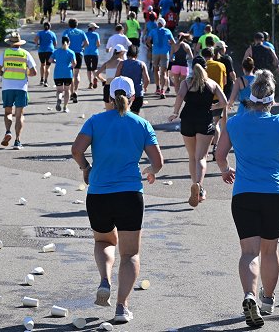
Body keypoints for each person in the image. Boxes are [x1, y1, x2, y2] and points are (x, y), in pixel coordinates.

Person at [71, 76, 164, 324]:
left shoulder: (95, 121)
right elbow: (158, 162)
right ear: (133, 97)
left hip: (99, 194)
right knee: (130, 253)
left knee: (103, 241)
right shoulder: (142, 124)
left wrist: (85, 168)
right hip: (130, 195)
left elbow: (76, 150)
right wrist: (151, 173)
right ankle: (122, 308)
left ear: (109, 97)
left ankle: (104, 280)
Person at [216, 69, 279, 328]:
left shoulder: (235, 123)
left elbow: (220, 155)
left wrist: (225, 170)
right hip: (275, 194)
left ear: (250, 96)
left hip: (244, 194)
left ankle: (249, 295)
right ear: (271, 99)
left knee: (249, 252)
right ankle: (267, 299)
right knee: (270, 250)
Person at [169, 57, 227, 207]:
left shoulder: (187, 83)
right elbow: (225, 102)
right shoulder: (212, 84)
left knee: (192, 156)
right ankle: (199, 187)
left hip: (187, 119)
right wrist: (214, 107)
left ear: (192, 67)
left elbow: (180, 96)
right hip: (205, 121)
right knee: (201, 157)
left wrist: (175, 112)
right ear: (205, 68)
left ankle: (195, 186)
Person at [0, 32, 38, 149]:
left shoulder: (5, 53)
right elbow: (34, 72)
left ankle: (8, 131)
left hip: (7, 87)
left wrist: (4, 73)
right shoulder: (25, 54)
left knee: (8, 112)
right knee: (19, 115)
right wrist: (25, 72)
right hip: (21, 87)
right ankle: (17, 141)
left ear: (10, 43)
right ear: (20, 43)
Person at [202, 45, 227, 161]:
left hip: (204, 98)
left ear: (203, 56)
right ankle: (215, 148)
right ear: (213, 55)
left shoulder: (202, 67)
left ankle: (204, 150)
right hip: (217, 97)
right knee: (215, 124)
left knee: (205, 124)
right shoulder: (221, 65)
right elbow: (225, 82)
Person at [146, 18, 176, 99]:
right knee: (163, 72)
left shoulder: (153, 31)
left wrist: (151, 46)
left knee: (156, 70)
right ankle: (163, 90)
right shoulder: (168, 31)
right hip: (165, 53)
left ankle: (157, 88)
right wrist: (171, 50)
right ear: (164, 24)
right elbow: (173, 43)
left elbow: (148, 40)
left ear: (157, 23)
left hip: (155, 52)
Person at [116, 45, 150, 115]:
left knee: (123, 114)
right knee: (135, 115)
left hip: (124, 93)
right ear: (136, 55)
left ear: (128, 54)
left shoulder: (122, 63)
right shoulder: (141, 64)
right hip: (137, 93)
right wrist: (144, 88)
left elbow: (116, 77)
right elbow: (147, 80)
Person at [62, 18, 89, 104]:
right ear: (77, 25)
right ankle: (76, 91)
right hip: (79, 53)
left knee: (70, 73)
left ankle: (71, 92)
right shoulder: (81, 32)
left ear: (69, 25)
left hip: (69, 54)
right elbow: (87, 43)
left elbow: (64, 41)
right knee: (76, 73)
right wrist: (83, 48)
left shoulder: (67, 32)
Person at [49, 36, 77, 113]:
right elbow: (74, 63)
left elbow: (50, 60)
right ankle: (65, 107)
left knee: (59, 90)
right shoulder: (71, 52)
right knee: (67, 90)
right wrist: (70, 66)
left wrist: (56, 62)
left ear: (61, 43)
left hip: (58, 73)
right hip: (68, 73)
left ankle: (59, 99)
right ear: (69, 43)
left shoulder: (56, 51)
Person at [96, 44, 128, 110]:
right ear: (121, 52)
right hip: (117, 87)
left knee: (108, 111)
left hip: (107, 86)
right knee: (119, 110)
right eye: (123, 52)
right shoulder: (122, 62)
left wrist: (103, 80)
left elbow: (97, 73)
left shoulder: (107, 62)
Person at [34, 21, 57, 87]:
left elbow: (35, 39)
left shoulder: (40, 33)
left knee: (42, 64)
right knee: (48, 66)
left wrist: (38, 44)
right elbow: (55, 43)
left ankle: (41, 79)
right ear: (50, 27)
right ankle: (46, 81)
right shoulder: (52, 33)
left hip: (41, 50)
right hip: (50, 50)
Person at [84, 23, 102, 89]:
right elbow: (98, 44)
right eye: (95, 28)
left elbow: (84, 43)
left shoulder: (85, 34)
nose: (96, 29)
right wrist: (95, 46)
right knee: (94, 68)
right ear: (92, 28)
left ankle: (90, 83)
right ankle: (95, 78)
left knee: (88, 68)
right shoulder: (96, 34)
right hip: (94, 53)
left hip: (86, 53)